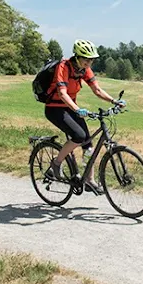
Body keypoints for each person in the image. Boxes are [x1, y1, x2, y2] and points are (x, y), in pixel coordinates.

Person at [44, 39, 125, 195]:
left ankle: (89, 180)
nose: (89, 63)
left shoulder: (84, 69)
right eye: (86, 59)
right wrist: (78, 109)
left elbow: (97, 90)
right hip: (55, 109)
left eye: (91, 60)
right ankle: (56, 163)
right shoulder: (64, 67)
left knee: (88, 143)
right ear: (77, 57)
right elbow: (62, 93)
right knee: (79, 136)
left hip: (71, 109)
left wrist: (114, 101)